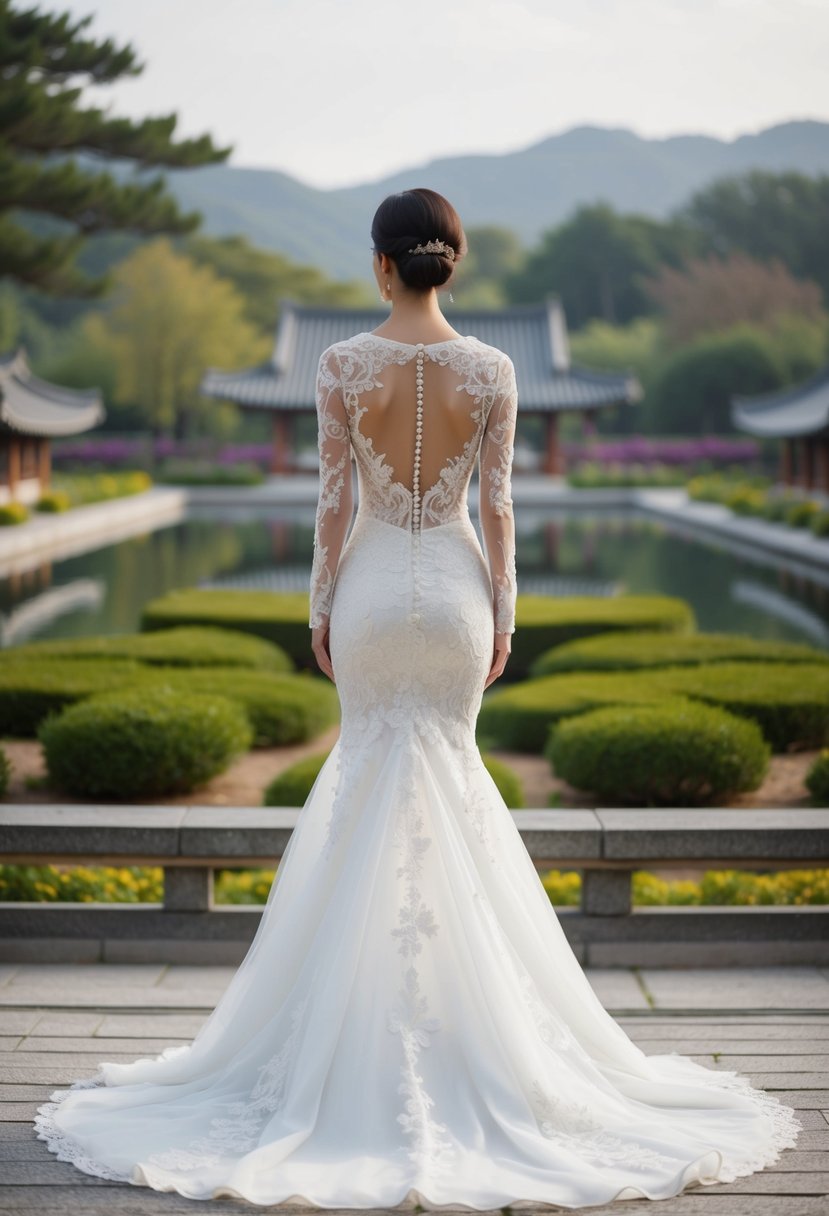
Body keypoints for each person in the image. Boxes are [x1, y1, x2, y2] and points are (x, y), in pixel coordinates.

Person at [34, 187, 801, 1209]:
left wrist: (318, 607)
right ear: (455, 262)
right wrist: (506, 613)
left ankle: (349, 1033)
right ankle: (465, 1028)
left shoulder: (342, 364)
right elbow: (497, 505)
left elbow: (333, 500)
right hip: (452, 595)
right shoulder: (494, 368)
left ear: (380, 265)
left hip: (366, 596)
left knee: (366, 784)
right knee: (452, 787)